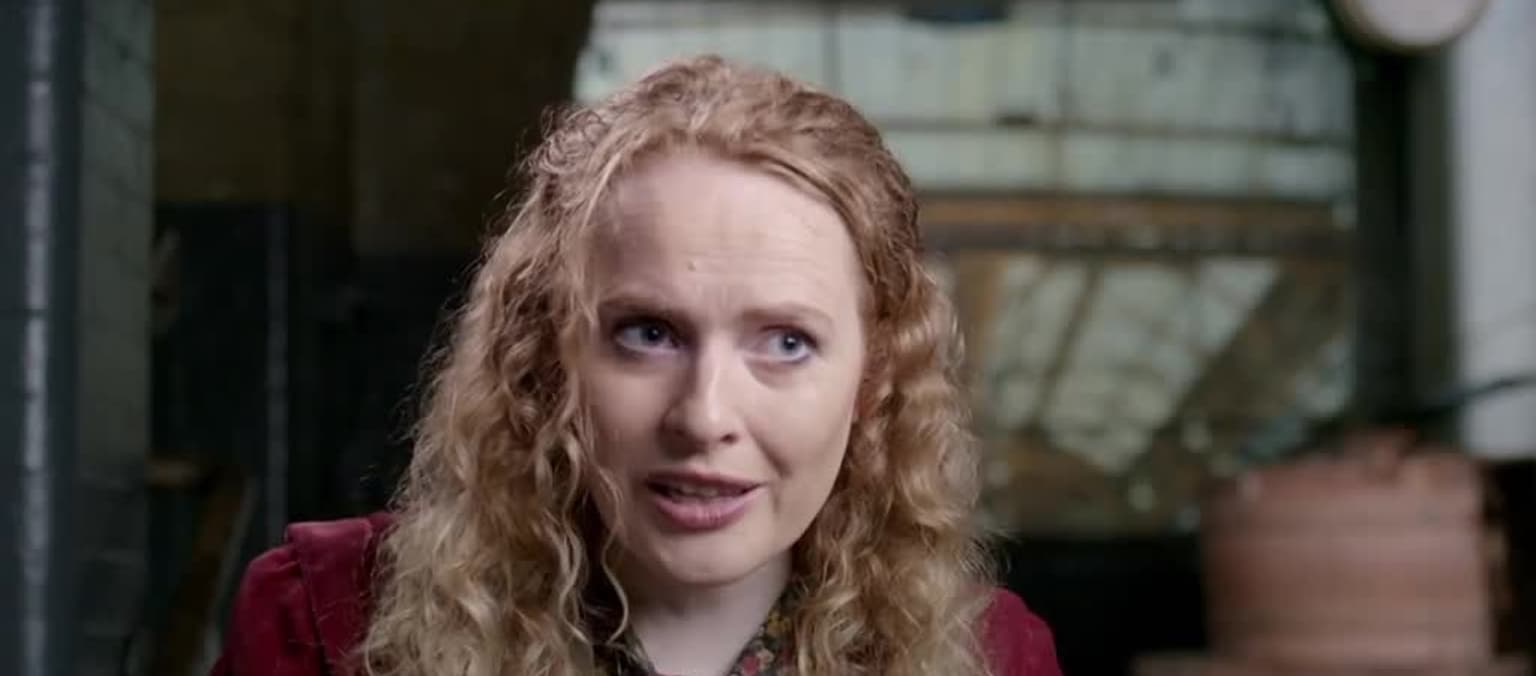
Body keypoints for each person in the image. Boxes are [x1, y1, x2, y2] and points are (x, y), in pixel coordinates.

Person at [211, 55, 1061, 676]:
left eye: (786, 342)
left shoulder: (992, 658)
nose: (704, 416)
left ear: (872, 380)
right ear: (548, 353)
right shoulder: (321, 623)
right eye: (649, 333)